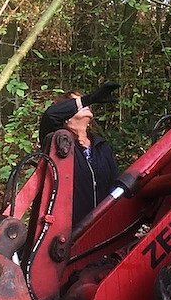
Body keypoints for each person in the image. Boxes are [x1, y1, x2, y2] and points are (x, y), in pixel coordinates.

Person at [38, 82, 121, 225]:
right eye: (76, 103)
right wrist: (89, 98)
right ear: (65, 116)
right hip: (67, 228)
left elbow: (115, 183)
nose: (85, 105)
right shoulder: (57, 143)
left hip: (102, 225)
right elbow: (50, 115)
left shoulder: (101, 145)